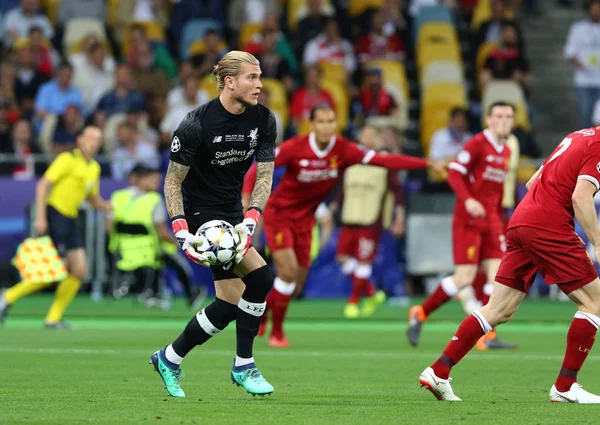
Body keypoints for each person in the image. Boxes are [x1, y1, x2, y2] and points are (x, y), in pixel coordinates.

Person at [419, 125, 600, 403]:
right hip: (549, 225)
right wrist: (597, 243)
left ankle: (439, 370)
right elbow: (580, 197)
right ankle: (565, 386)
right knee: (594, 303)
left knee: (499, 309)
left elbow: (532, 183)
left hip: (522, 219)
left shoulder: (577, 135)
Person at [244, 103, 447, 347]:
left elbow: (384, 160)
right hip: (279, 215)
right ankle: (277, 333)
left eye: (331, 121)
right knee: (286, 272)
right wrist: (247, 200)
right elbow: (257, 168)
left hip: (307, 220)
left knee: (296, 285)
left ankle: (263, 312)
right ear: (312, 124)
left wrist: (426, 164)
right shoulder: (295, 147)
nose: (326, 127)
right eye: (321, 121)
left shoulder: (343, 150)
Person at [149, 51, 278, 398]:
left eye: (260, 76)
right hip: (199, 215)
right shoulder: (196, 123)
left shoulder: (264, 120)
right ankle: (243, 365)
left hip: (233, 211)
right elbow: (172, 182)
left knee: (230, 305)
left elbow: (264, 177)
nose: (260, 84)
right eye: (252, 77)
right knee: (262, 276)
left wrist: (251, 218)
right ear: (230, 82)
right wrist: (180, 229)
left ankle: (169, 357)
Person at [407, 102, 518, 350]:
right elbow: (455, 172)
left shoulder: (506, 151)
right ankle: (420, 312)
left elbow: (497, 191)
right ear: (488, 120)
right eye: (498, 116)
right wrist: (468, 200)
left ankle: (487, 336)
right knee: (464, 277)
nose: (504, 121)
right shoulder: (478, 143)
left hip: (491, 221)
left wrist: (499, 220)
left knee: (498, 277)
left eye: (509, 116)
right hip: (468, 220)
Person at [0, 126, 111, 328]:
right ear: (80, 140)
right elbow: (43, 185)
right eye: (90, 138)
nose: (94, 143)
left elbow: (92, 197)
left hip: (71, 219)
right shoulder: (67, 159)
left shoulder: (94, 167)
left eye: (98, 140)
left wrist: (106, 206)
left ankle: (52, 318)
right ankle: (7, 296)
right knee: (55, 270)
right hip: (55, 214)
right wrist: (41, 217)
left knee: (79, 270)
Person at [332, 125, 405, 318]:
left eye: (373, 134)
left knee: (364, 261)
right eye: (365, 134)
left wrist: (398, 216)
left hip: (371, 219)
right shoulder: (351, 158)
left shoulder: (384, 160)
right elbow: (342, 186)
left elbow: (397, 190)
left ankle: (354, 301)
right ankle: (372, 293)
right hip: (350, 215)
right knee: (342, 257)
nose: (368, 137)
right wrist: (333, 206)